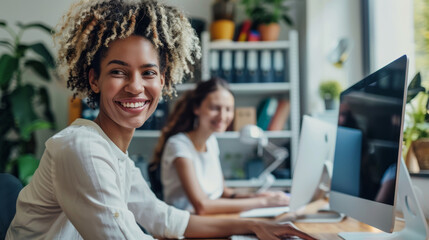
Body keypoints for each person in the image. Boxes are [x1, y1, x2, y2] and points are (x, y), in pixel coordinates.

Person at [6, 1, 315, 239]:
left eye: (148, 72)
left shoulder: (117, 157)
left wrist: (257, 226)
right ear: (94, 80)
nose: (136, 86)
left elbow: (167, 218)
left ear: (163, 81)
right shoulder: (81, 148)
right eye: (118, 71)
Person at [152, 77, 290, 215]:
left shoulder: (211, 142)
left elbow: (224, 192)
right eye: (215, 108)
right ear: (196, 108)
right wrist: (264, 203)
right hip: (185, 227)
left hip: (210, 220)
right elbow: (202, 206)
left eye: (228, 109)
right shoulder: (179, 145)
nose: (223, 116)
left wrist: (257, 196)